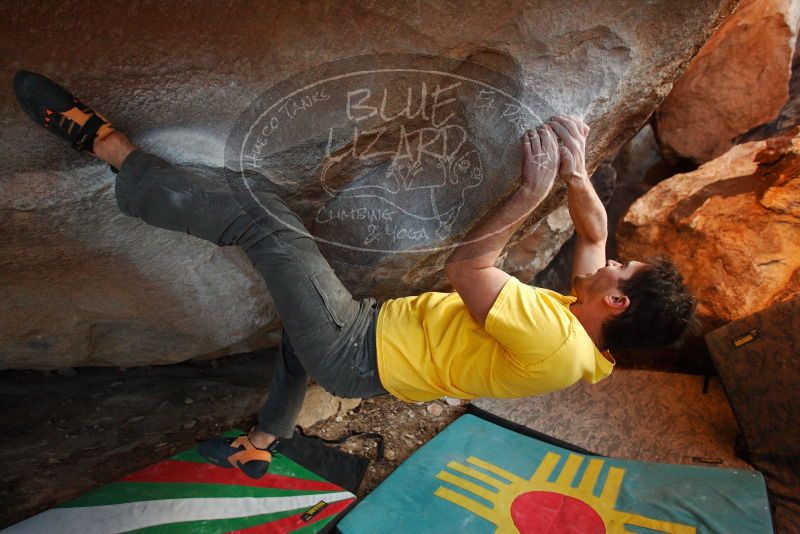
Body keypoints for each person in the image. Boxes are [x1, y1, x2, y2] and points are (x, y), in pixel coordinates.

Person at [13, 71, 696, 479]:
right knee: (296, 341)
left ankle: (113, 154)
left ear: (614, 299)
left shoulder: (555, 339)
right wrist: (576, 172)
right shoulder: (592, 343)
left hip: (355, 350)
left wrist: (531, 189)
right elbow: (594, 231)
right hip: (367, 345)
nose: (611, 259)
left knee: (267, 224)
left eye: (621, 271)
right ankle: (262, 444)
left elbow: (468, 266)